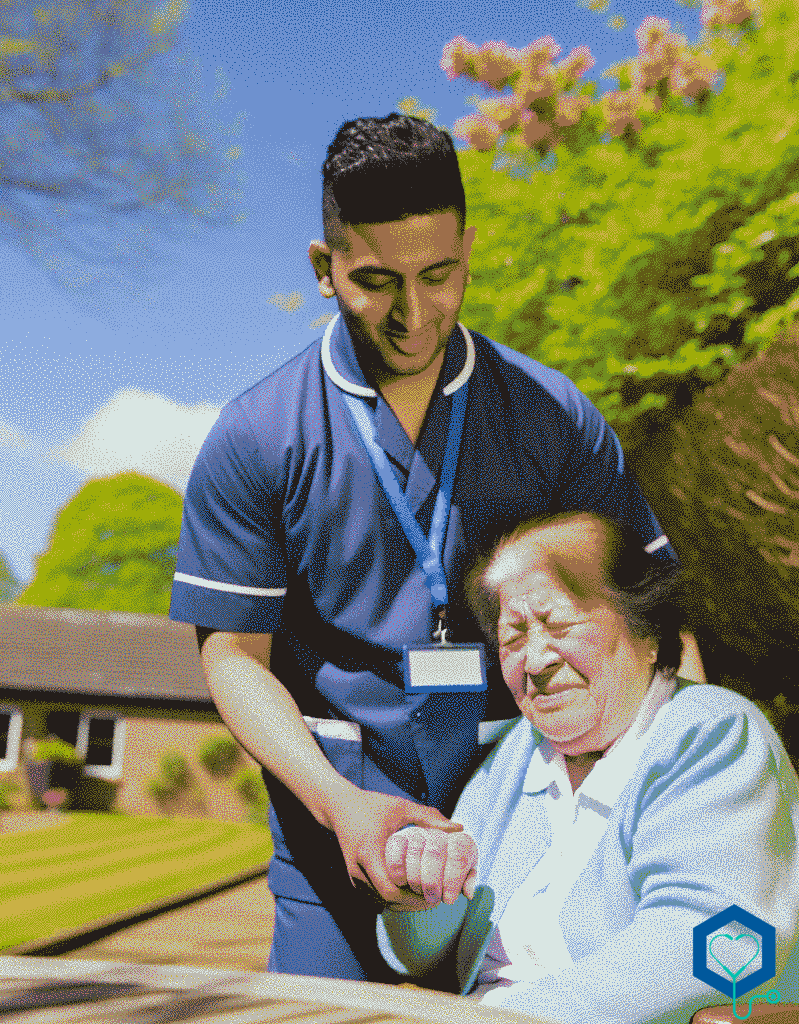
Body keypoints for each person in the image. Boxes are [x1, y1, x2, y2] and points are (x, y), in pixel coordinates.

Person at [168, 112, 702, 981]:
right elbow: (233, 656)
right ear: (322, 266)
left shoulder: (554, 418)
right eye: (376, 280)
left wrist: (695, 809)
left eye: (440, 275)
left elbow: (654, 629)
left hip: (535, 836)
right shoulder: (255, 437)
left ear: (468, 250)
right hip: (332, 834)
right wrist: (343, 808)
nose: (414, 315)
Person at [377, 511, 799, 1023]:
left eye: (560, 625)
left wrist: (503, 1019)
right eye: (512, 639)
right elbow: (424, 953)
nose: (534, 661)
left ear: (646, 632)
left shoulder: (713, 735)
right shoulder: (517, 755)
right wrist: (423, 897)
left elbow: (708, 944)